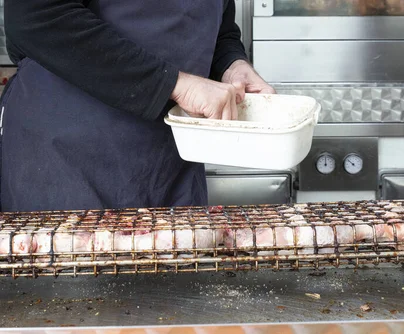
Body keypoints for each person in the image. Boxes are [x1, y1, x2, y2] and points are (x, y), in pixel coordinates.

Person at [1, 0, 275, 212]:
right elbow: (37, 15)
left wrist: (232, 65)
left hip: (168, 163)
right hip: (69, 156)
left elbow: (220, 31)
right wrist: (177, 85)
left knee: (173, 283)